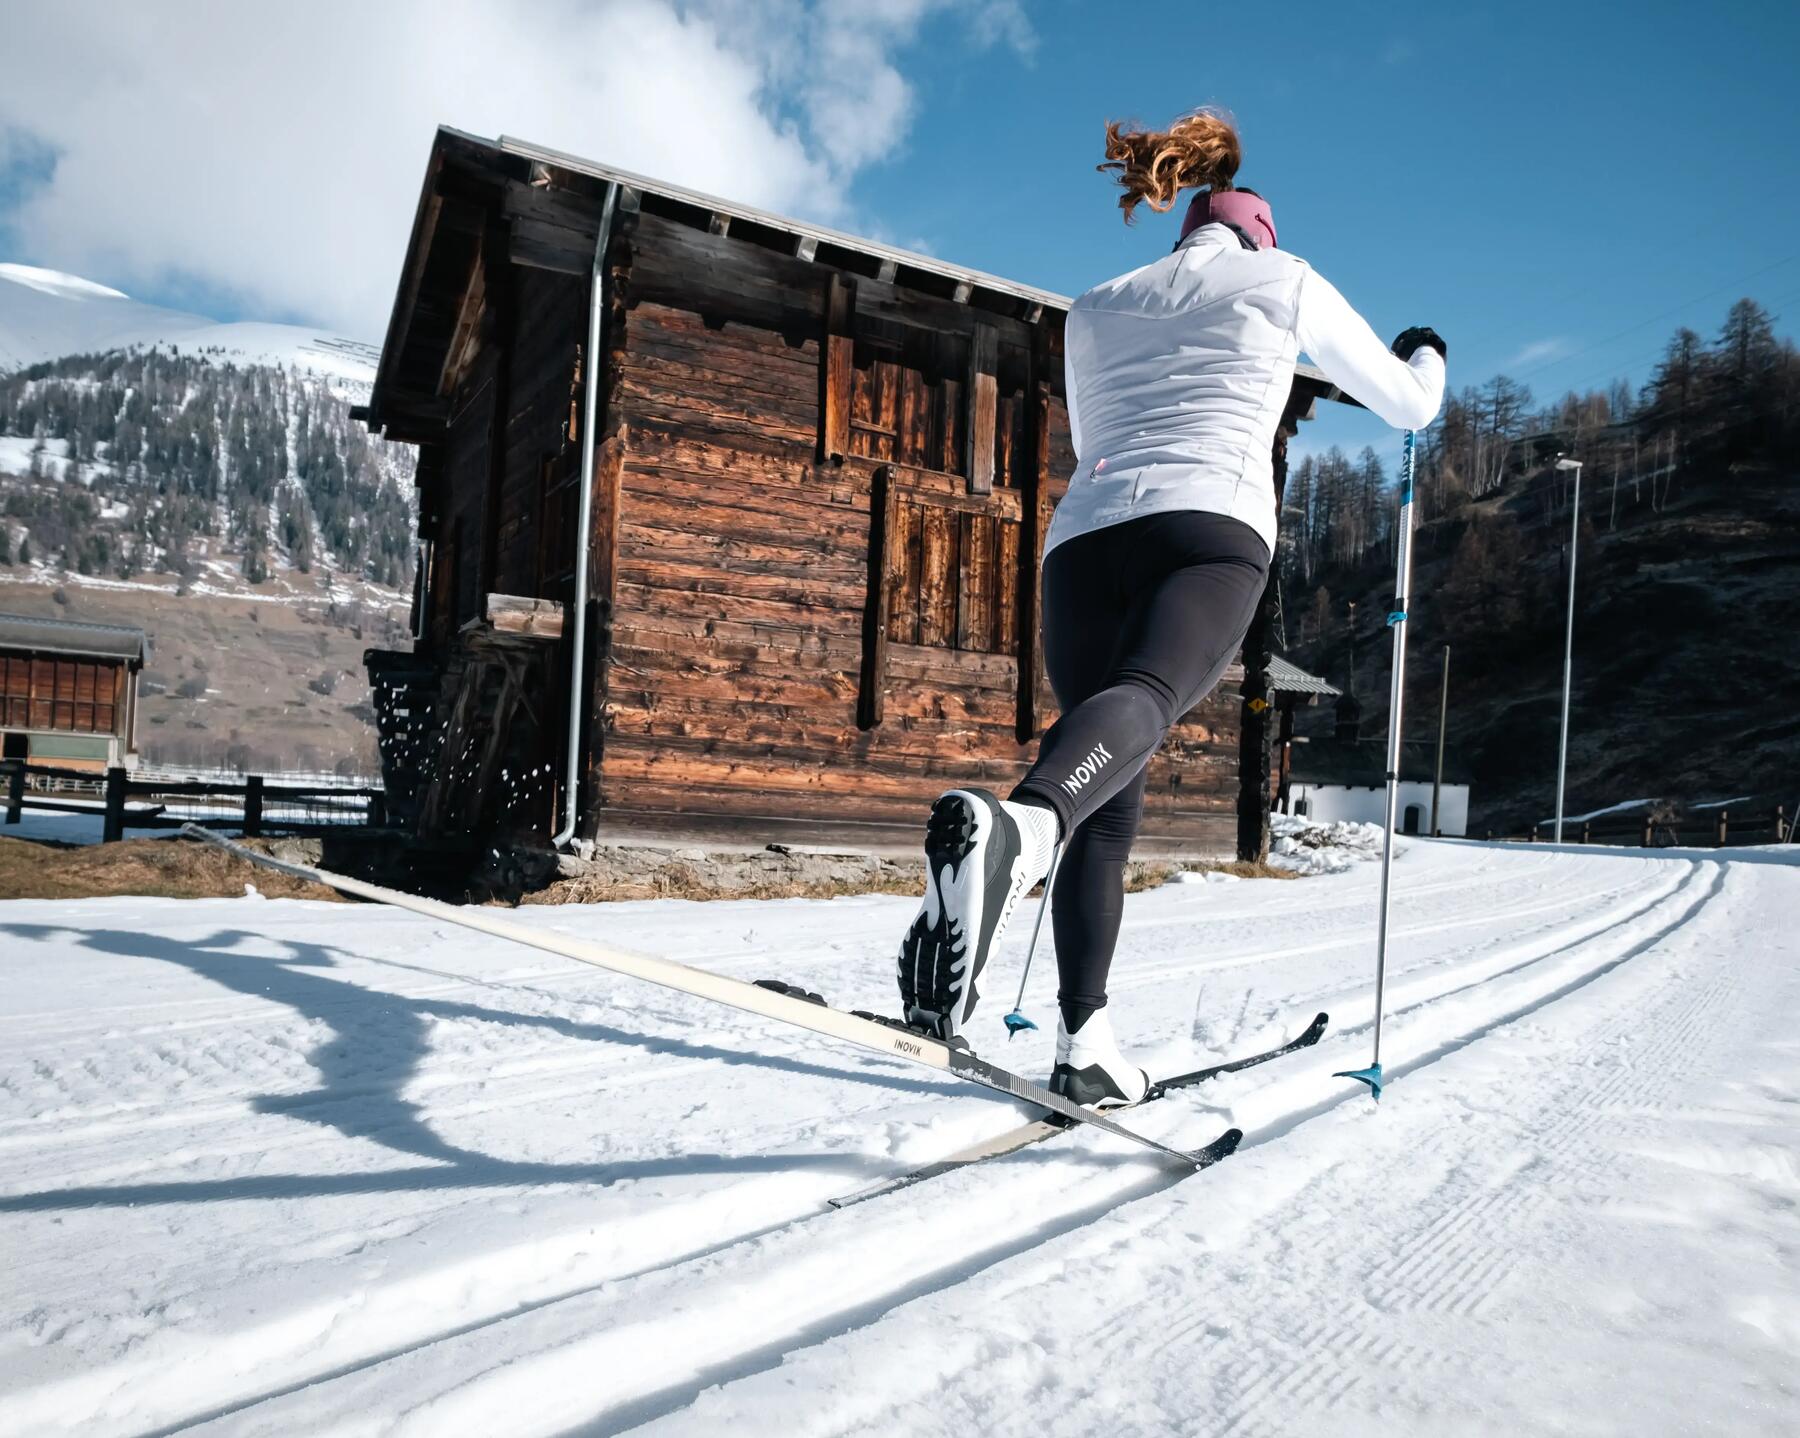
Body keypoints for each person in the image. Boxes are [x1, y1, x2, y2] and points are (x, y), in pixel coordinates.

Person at [896, 108, 1446, 1106]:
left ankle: (1086, 1041)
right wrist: (1427, 355)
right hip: (1211, 526)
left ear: (1188, 218)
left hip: (1087, 541)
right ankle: (1017, 837)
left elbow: (1097, 422)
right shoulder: (1286, 282)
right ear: (1258, 231)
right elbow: (1407, 405)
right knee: (1144, 701)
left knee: (1109, 788)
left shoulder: (1099, 302)